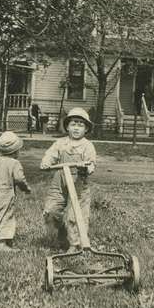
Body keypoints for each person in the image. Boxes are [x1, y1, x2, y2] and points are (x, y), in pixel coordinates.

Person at [40, 107, 96, 253]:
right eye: (73, 124)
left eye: (80, 124)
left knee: (75, 214)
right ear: (67, 126)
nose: (76, 128)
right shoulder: (60, 143)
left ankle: (75, 244)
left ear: (86, 129)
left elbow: (91, 164)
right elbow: (50, 154)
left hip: (79, 183)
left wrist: (86, 168)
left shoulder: (87, 146)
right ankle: (61, 235)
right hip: (60, 180)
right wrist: (46, 161)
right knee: (51, 210)